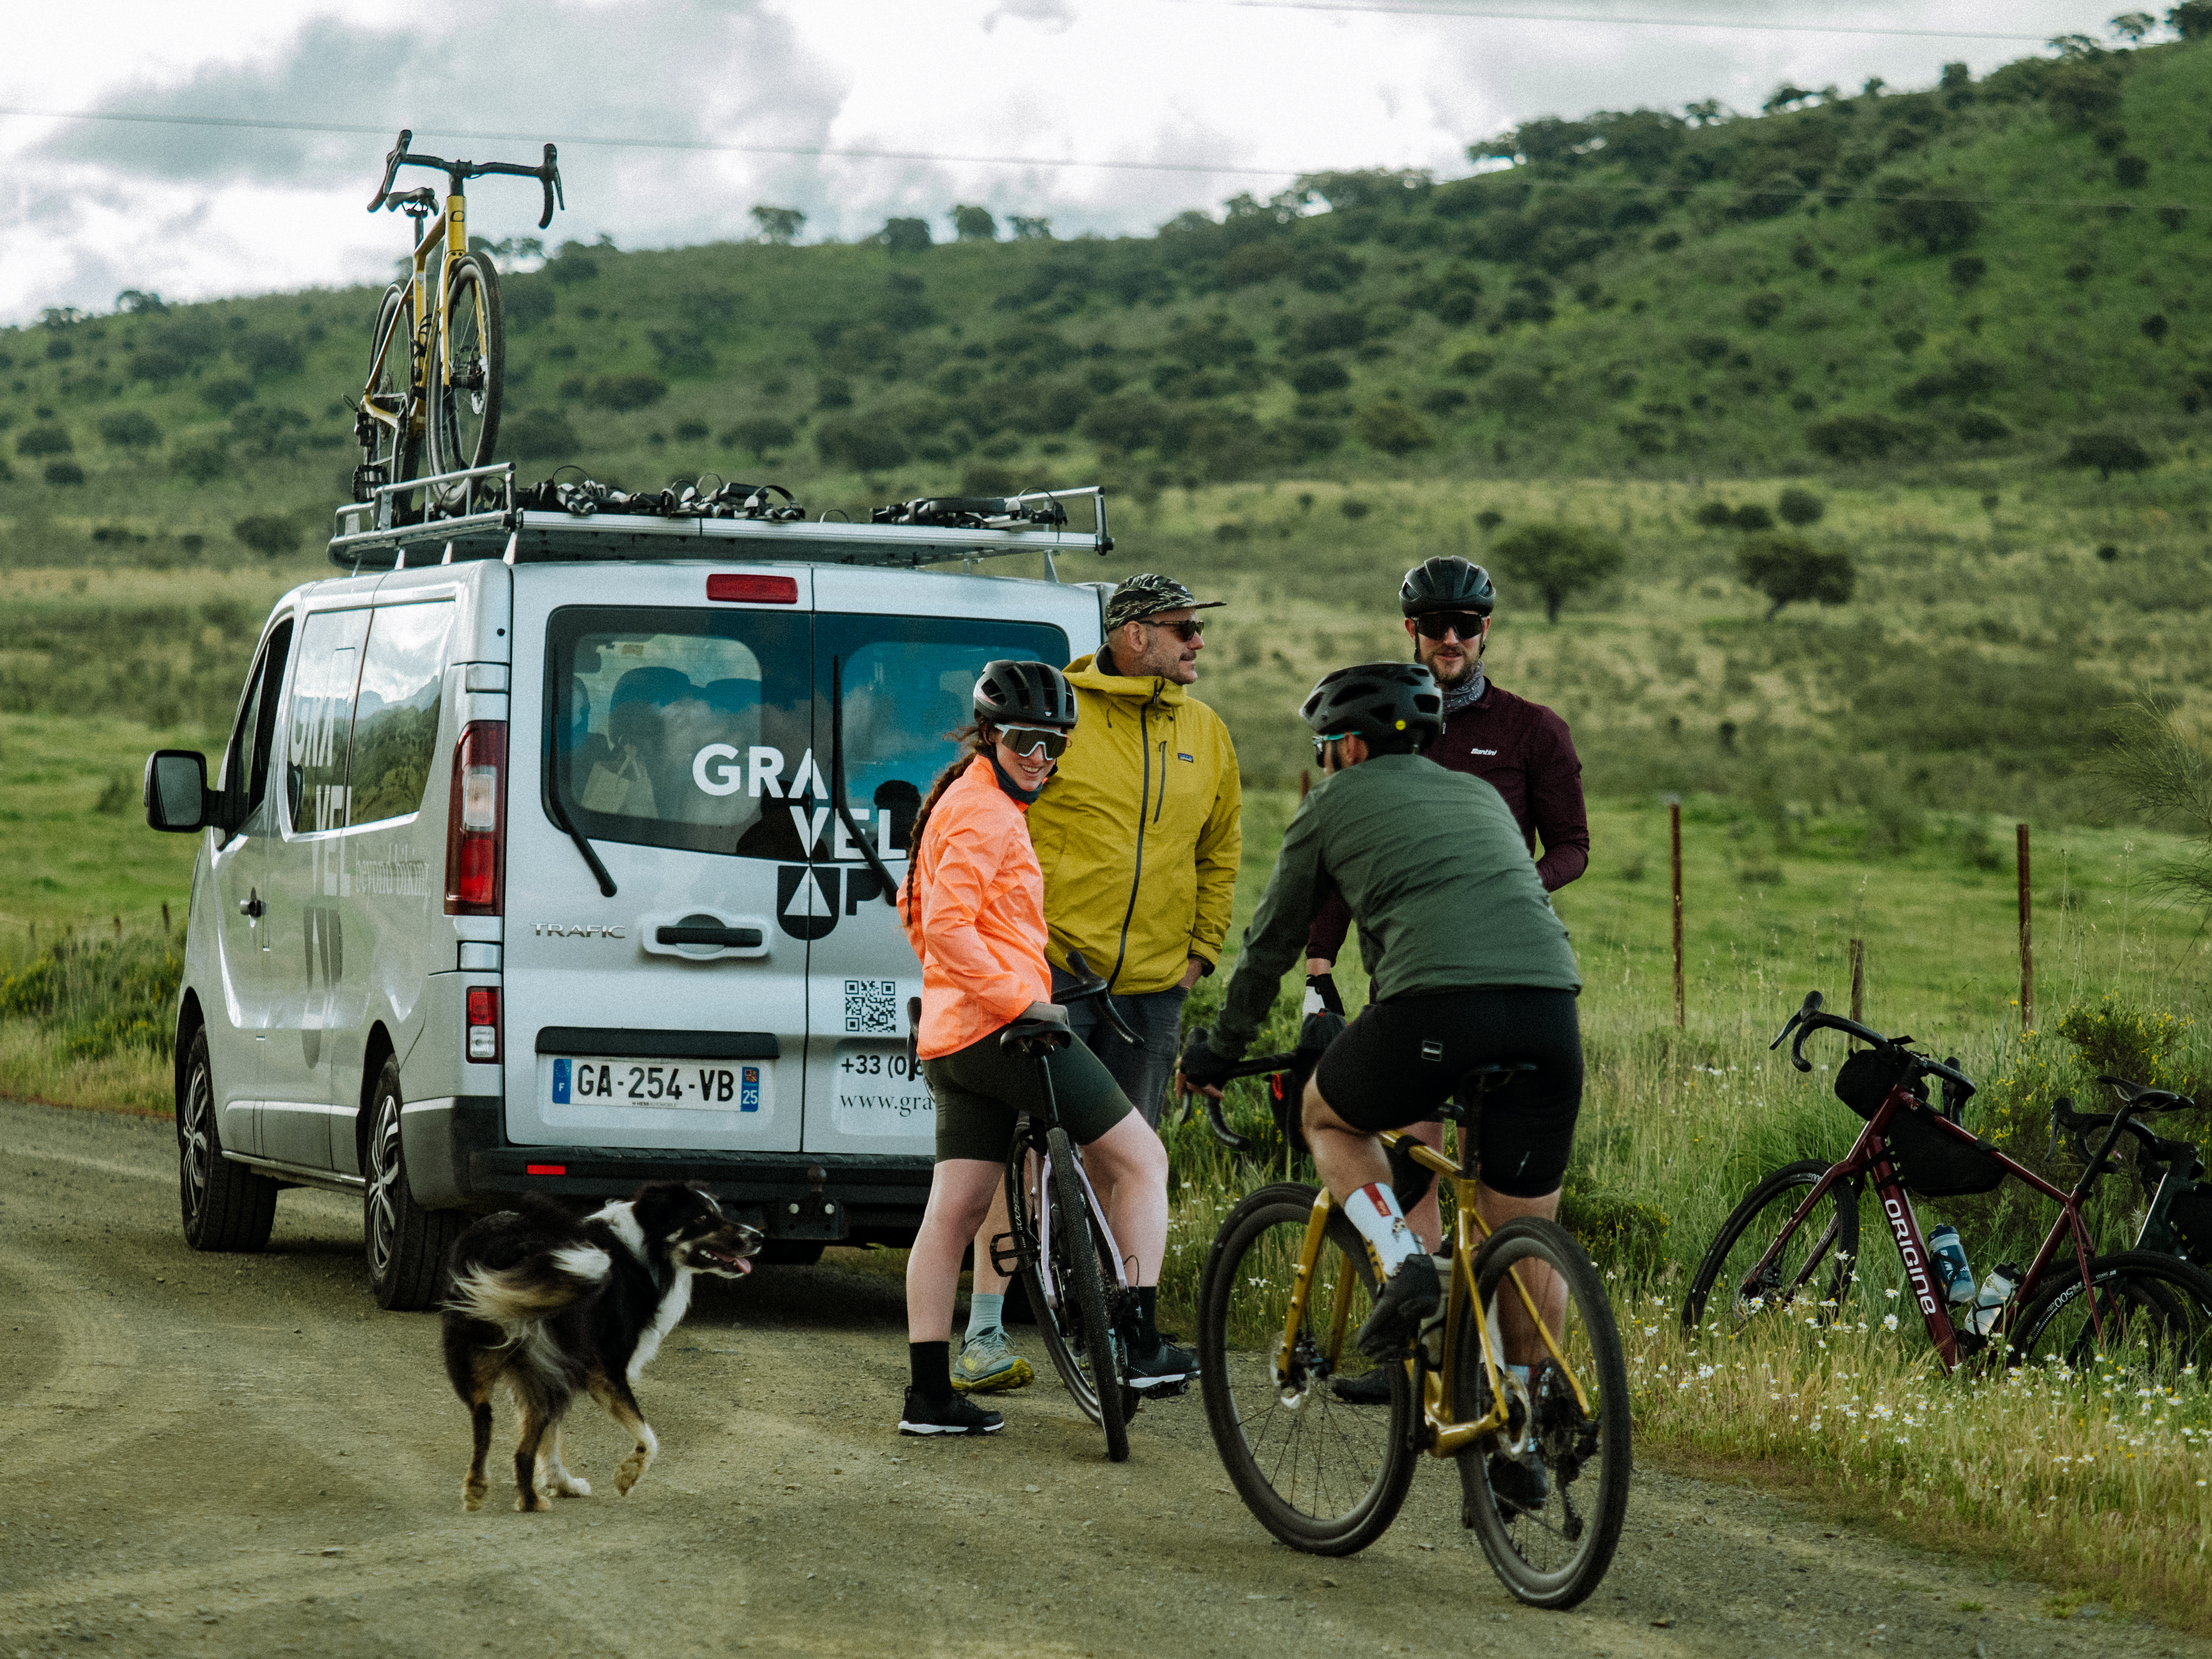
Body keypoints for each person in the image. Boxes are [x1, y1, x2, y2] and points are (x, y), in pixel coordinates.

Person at [1178, 662, 1583, 1503]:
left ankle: (1401, 1259)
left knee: (1328, 1114)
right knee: (1519, 1232)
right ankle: (1525, 1421)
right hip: (1551, 1010)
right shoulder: (1476, 798)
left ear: (1350, 744)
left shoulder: (1332, 802)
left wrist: (1220, 1047)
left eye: (1325, 747)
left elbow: (1270, 944)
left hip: (1439, 1007)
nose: (1324, 761)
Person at [951, 573, 1241, 1394]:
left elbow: (1220, 848)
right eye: (1185, 627)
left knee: (1128, 1155)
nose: (1198, 643)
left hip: (1155, 983)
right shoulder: (1063, 716)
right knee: (1029, 1153)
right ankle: (981, 1332)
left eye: (1199, 629)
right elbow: (1003, 823)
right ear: (1134, 635)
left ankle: (1118, 1326)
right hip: (1054, 972)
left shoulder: (1209, 732)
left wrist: (1201, 950)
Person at [897, 660, 1197, 1436]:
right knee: (1141, 1160)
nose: (1042, 757)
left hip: (952, 1038)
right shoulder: (986, 814)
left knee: (954, 1212)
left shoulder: (961, 802)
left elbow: (917, 914)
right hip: (1007, 1033)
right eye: (1028, 740)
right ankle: (1139, 1339)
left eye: (1056, 745)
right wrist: (1018, 998)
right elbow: (946, 927)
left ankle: (928, 1396)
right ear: (990, 733)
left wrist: (972, 993)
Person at [1303, 556, 1588, 1261]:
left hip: (1502, 967)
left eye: (1466, 624)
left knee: (1495, 1191)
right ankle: (1419, 1337)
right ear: (1412, 629)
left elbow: (1574, 846)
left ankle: (1490, 1353)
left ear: (1486, 628)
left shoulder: (1533, 729)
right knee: (1413, 1169)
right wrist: (1318, 961)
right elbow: (1345, 855)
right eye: (1435, 625)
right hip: (1410, 969)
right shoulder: (1377, 726)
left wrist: (1513, 882)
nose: (1450, 638)